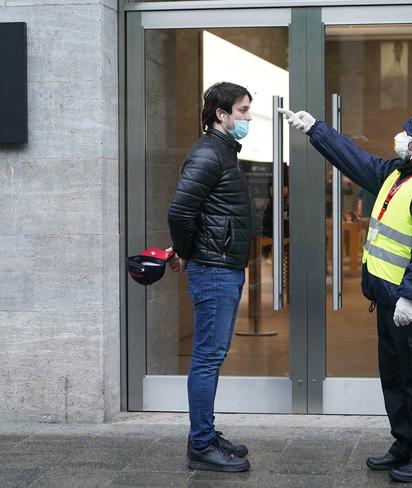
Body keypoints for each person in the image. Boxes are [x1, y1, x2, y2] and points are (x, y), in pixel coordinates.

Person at [278, 107, 412, 483]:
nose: (400, 137)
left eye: (407, 133)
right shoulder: (398, 173)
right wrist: (317, 129)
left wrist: (410, 298)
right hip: (388, 298)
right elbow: (356, 160)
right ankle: (406, 444)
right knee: (396, 377)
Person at [167, 82, 253, 473]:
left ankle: (206, 433)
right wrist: (187, 252)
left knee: (212, 356)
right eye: (243, 111)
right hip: (214, 269)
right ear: (222, 115)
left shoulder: (224, 152)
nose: (248, 118)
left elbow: (203, 212)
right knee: (207, 358)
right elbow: (180, 213)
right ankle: (200, 445)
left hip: (223, 267)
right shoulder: (207, 154)